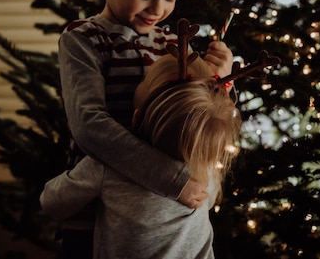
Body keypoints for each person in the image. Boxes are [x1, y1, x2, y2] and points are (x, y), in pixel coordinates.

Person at [56, 0, 234, 256]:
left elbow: (202, 110)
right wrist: (171, 178)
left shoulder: (174, 43)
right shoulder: (84, 39)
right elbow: (89, 126)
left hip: (162, 213)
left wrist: (221, 78)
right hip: (95, 211)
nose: (159, 9)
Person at [41, 54, 241, 258]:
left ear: (136, 117)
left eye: (144, 80)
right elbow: (210, 200)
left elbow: (52, 202)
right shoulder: (206, 169)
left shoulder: (111, 163)